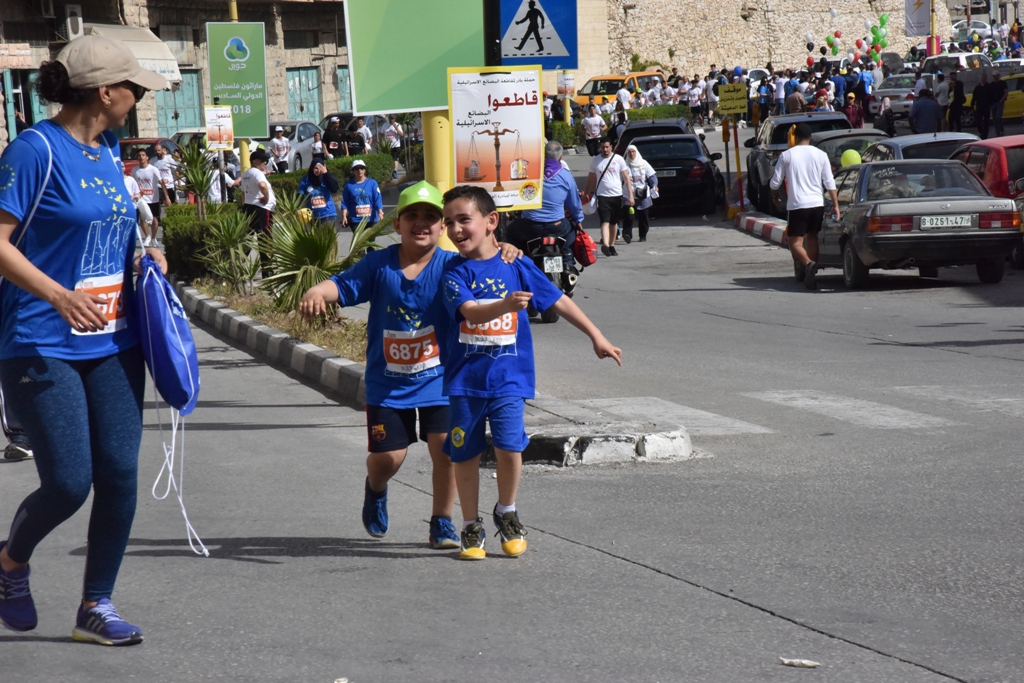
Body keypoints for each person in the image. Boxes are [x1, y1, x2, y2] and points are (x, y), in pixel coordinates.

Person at [0, 33, 168, 646]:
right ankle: (10, 562)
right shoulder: (33, 150)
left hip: (115, 340)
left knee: (120, 473)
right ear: (106, 91)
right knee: (70, 481)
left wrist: (148, 254)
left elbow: (110, 232)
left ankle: (95, 605)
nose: (140, 98)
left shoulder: (107, 150)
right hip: (42, 338)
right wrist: (58, 294)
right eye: (136, 88)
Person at [297, 182, 521, 550]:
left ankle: (442, 523)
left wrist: (508, 248)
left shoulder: (455, 266)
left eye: (431, 217)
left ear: (442, 226)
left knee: (447, 449)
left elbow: (492, 261)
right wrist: (317, 292)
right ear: (397, 224)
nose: (422, 223)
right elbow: (341, 285)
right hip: (388, 383)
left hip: (441, 379)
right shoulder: (379, 264)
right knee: (388, 458)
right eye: (412, 216)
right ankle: (376, 488)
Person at [439, 185, 622, 559]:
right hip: (465, 383)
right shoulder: (451, 273)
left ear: (491, 221)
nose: (456, 229)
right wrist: (505, 305)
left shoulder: (515, 263)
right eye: (449, 222)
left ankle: (506, 510)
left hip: (510, 379)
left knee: (509, 448)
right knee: (465, 455)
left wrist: (596, 336)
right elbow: (471, 313)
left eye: (464, 220)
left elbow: (557, 299)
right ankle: (471, 525)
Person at [769, 122, 840, 291]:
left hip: (797, 205)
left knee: (794, 242)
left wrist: (775, 196)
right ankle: (812, 274)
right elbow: (829, 183)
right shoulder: (820, 155)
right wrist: (836, 205)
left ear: (795, 137)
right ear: (811, 137)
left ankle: (808, 265)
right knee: (812, 237)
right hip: (817, 203)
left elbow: (774, 182)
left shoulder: (787, 155)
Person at [507, 141, 583, 277]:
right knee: (571, 231)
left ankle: (519, 266)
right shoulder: (566, 176)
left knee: (509, 233)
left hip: (530, 227)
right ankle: (567, 263)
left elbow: (516, 194)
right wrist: (578, 220)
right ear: (560, 158)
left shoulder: (530, 174)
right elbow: (575, 204)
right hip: (557, 225)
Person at [582, 139, 633, 256]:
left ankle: (611, 245)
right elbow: (590, 177)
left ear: (611, 146)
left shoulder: (618, 159)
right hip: (602, 196)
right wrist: (585, 192)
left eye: (606, 147)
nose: (604, 150)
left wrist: (630, 195)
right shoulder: (596, 160)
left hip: (616, 195)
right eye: (602, 147)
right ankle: (605, 245)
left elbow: (626, 178)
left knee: (613, 222)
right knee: (604, 221)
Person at [241, 149, 277, 277]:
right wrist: (267, 198)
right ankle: (267, 272)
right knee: (265, 240)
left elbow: (242, 192)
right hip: (261, 209)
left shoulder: (247, 174)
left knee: (249, 239)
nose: (265, 164)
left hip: (250, 207)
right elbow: (262, 185)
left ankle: (237, 265)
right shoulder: (257, 172)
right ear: (255, 162)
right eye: (263, 161)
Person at [620, 145, 657, 244]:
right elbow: (618, 179)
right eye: (629, 152)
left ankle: (642, 235)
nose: (632, 154)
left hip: (642, 194)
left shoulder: (643, 163)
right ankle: (627, 234)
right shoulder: (624, 165)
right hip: (628, 194)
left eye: (633, 152)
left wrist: (654, 185)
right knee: (628, 216)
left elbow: (652, 176)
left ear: (636, 153)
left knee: (643, 216)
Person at [131, 149, 164, 247]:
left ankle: (153, 237)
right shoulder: (135, 170)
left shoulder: (153, 169)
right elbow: (133, 183)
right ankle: (147, 236)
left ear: (147, 157)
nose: (141, 157)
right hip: (142, 199)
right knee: (143, 218)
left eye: (143, 155)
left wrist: (166, 197)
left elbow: (161, 182)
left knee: (154, 219)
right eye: (139, 155)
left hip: (153, 198)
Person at [297, 157, 340, 229]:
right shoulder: (305, 180)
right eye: (316, 168)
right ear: (312, 168)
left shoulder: (327, 177)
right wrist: (297, 208)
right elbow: (299, 196)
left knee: (327, 238)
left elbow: (334, 189)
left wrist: (326, 173)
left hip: (328, 214)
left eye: (320, 168)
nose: (318, 170)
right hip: (312, 216)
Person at [340, 159, 383, 229]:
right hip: (356, 221)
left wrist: (380, 212)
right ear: (353, 171)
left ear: (364, 170)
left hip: (371, 220)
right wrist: (344, 216)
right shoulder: (349, 185)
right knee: (360, 240)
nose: (359, 170)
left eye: (361, 168)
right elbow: (345, 202)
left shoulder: (372, 183)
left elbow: (377, 199)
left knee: (370, 240)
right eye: (356, 169)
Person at [123, 167, 154, 245]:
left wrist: (133, 197)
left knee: (131, 229)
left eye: (123, 166)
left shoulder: (131, 180)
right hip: (119, 209)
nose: (121, 167)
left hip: (132, 208)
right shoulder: (114, 180)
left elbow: (138, 194)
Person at [972, 72, 992, 139]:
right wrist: (972, 104)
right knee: (978, 121)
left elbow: (992, 96)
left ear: (986, 79)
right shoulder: (977, 87)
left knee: (986, 122)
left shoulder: (988, 87)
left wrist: (990, 104)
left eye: (984, 78)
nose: (983, 79)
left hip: (986, 107)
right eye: (982, 78)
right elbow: (974, 97)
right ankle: (981, 132)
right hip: (979, 107)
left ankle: (985, 135)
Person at [989, 71, 1008, 137]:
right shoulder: (991, 84)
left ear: (998, 75)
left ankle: (1001, 131)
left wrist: (1001, 100)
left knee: (998, 117)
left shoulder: (1002, 83)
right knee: (994, 118)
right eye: (993, 76)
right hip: (993, 103)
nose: (994, 77)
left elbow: (1005, 92)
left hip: (1000, 103)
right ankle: (997, 133)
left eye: (995, 75)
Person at [384, 115, 404, 179]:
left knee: (395, 158)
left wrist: (396, 128)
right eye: (390, 119)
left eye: (393, 119)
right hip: (387, 146)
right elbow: (381, 133)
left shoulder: (398, 125)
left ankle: (395, 171)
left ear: (395, 119)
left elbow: (401, 134)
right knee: (389, 159)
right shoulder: (385, 125)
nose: (391, 120)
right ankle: (389, 172)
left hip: (396, 145)